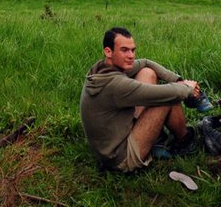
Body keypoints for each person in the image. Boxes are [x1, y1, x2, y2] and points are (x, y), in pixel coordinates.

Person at [79, 27, 203, 172]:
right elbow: (166, 93)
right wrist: (188, 87)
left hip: (113, 141)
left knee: (147, 73)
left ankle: (157, 140)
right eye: (124, 50)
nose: (131, 55)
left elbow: (145, 62)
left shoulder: (101, 69)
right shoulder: (117, 85)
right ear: (108, 51)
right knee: (168, 98)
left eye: (133, 50)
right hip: (120, 158)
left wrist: (178, 80)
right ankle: (185, 142)